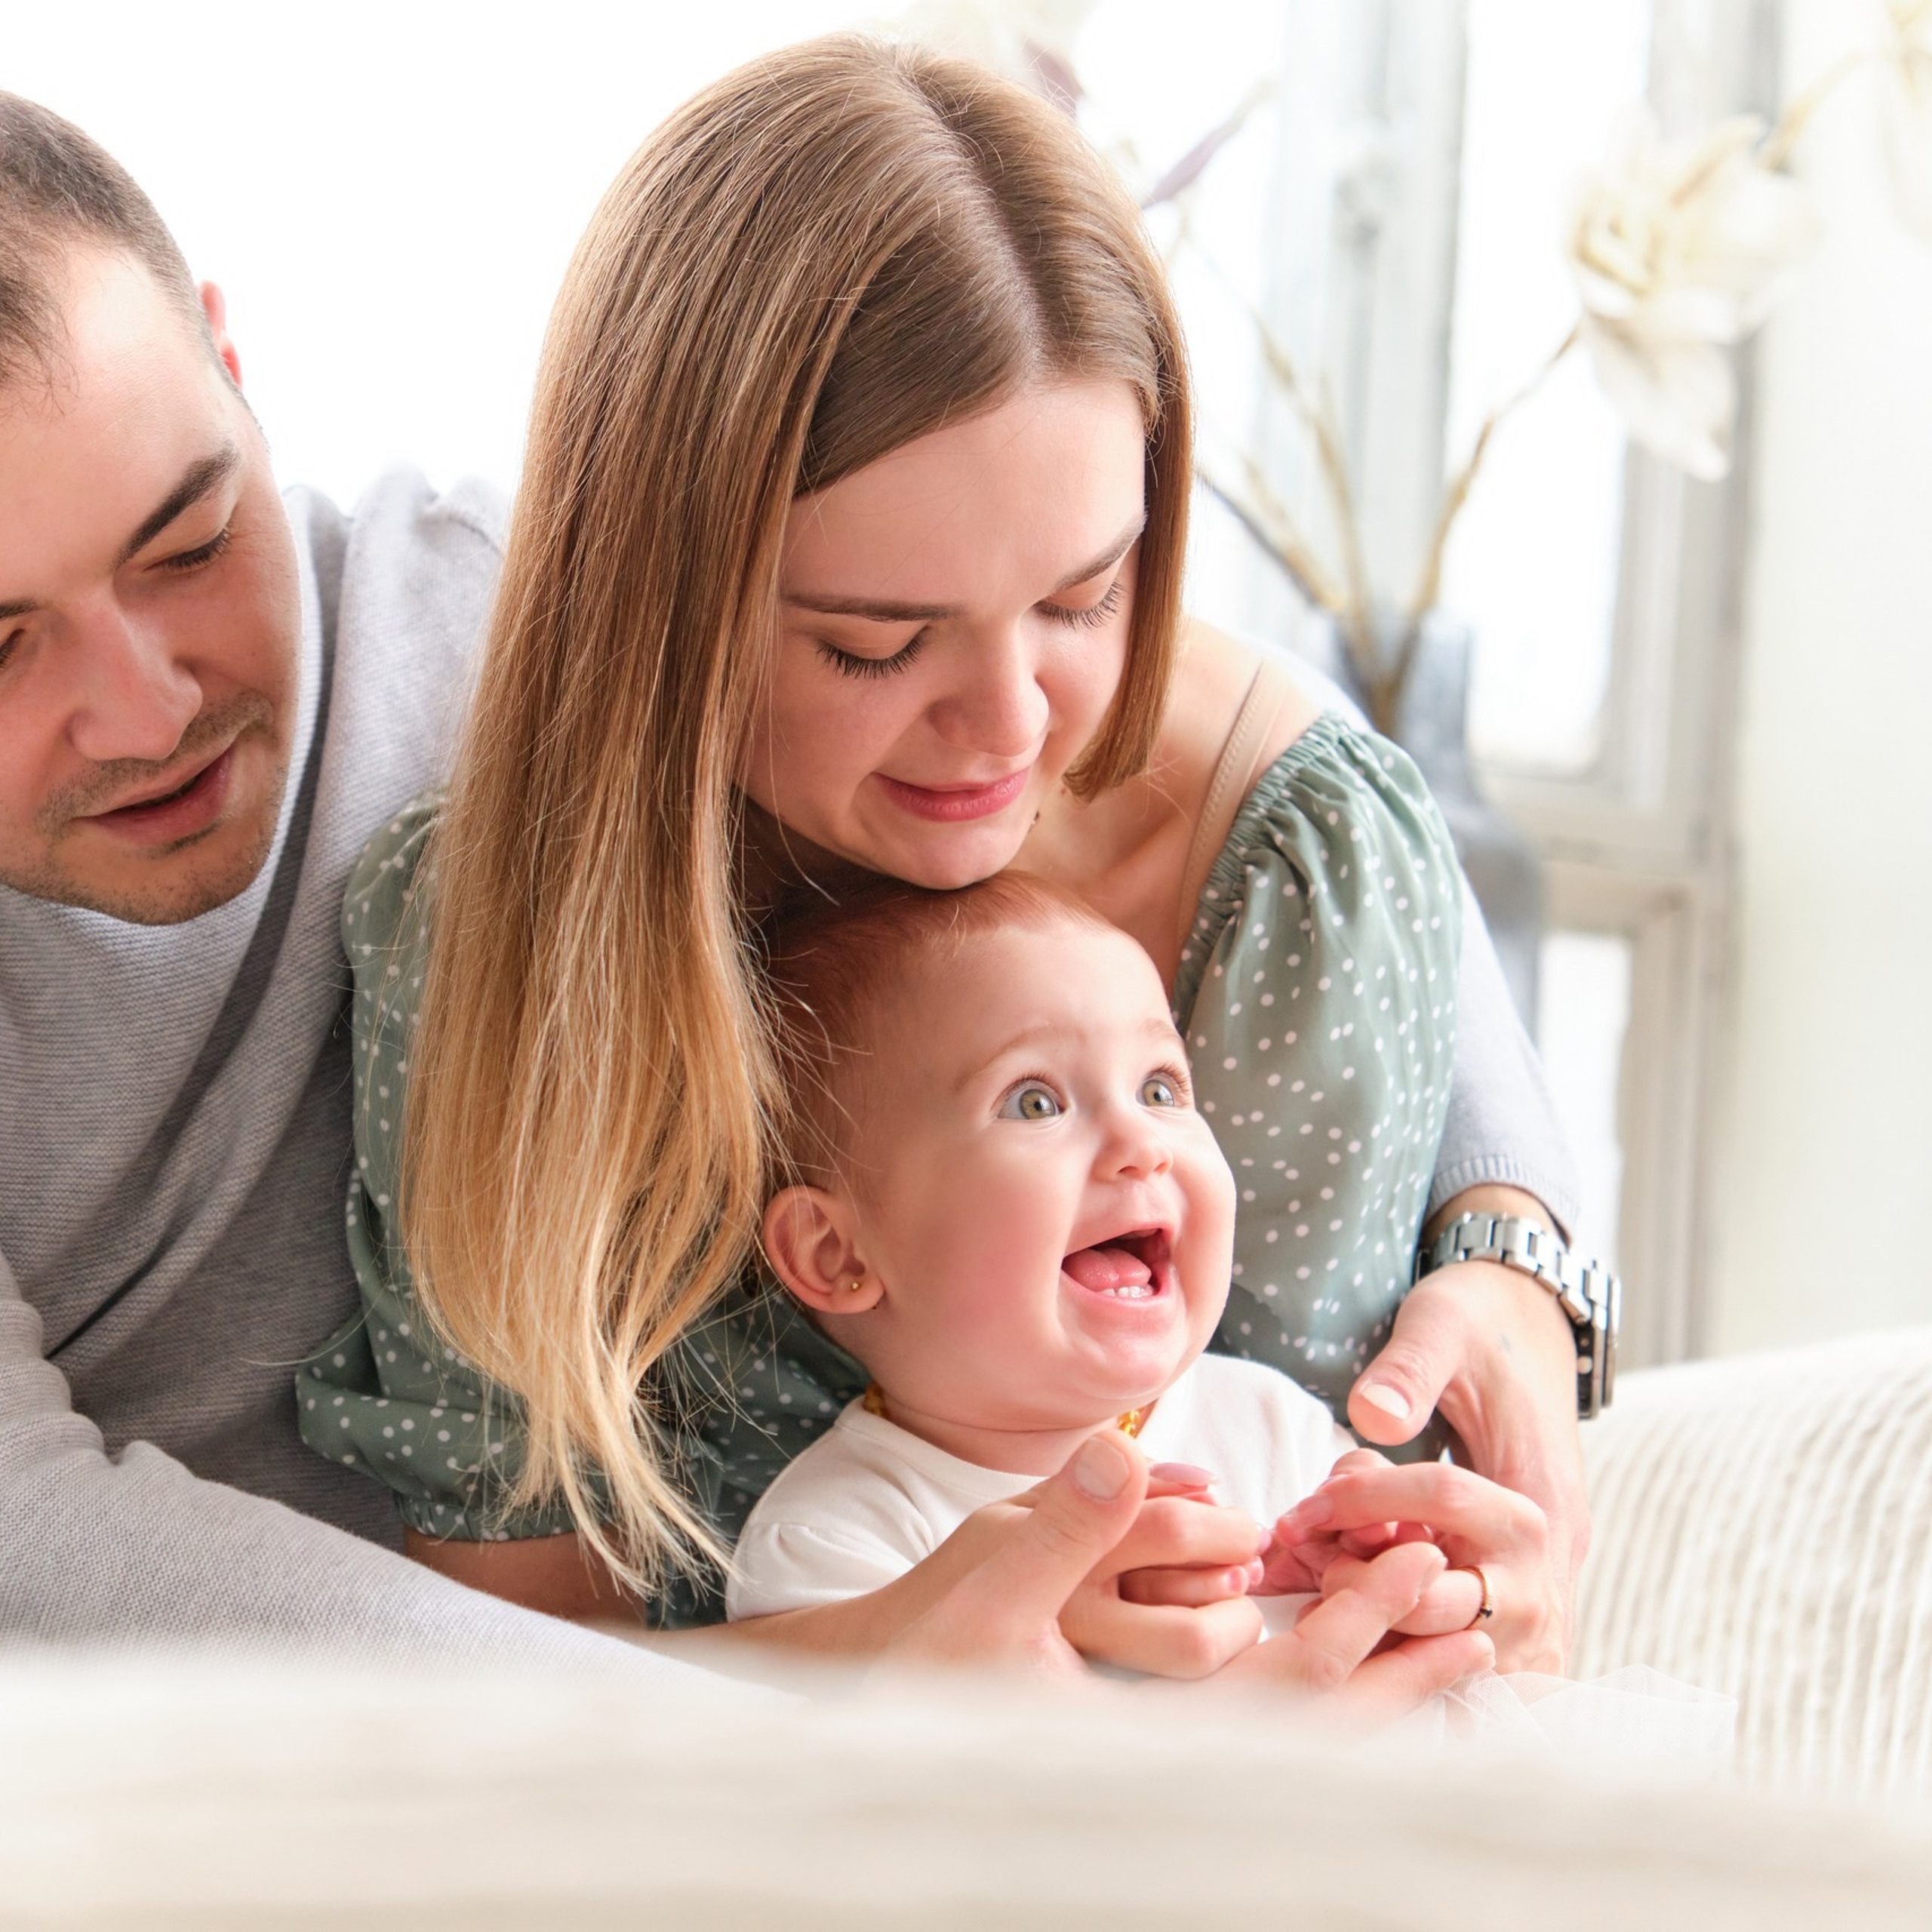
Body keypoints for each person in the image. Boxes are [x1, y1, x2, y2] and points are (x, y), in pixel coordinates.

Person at [308, 35, 1594, 1675]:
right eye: (872, 642)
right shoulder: (497, 939)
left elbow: (1334, 1555)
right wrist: (889, 1666)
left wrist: (1450, 1569)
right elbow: (517, 1659)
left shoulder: (1290, 874)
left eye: (1082, 598)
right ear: (659, 601)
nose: (1006, 727)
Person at [0, 88, 1214, 1679]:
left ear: (231, 366)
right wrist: (827, 1698)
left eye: (189, 543)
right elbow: (28, 1534)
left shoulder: (501, 605)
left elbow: (1231, 726)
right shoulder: (470, 914)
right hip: (377, 1732)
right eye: (0, 645)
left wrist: (1504, 1241)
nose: (149, 710)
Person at [729, 870, 1552, 1687]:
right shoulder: (834, 1541)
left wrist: (1394, 1570)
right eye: (1034, 1102)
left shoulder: (1275, 1429)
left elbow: (1437, 1682)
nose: (1142, 1143)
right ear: (837, 1255)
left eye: (1160, 1089)